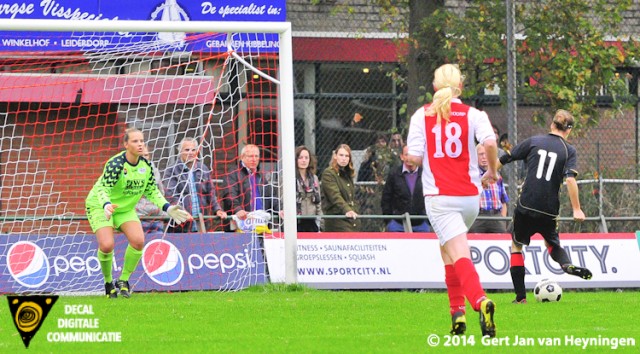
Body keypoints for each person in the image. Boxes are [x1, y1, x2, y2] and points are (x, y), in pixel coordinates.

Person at [406, 63, 497, 337]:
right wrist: (492, 171)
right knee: (447, 251)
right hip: (470, 198)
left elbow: (415, 157)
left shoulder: (422, 115)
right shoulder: (474, 114)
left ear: (435, 87)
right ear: (461, 87)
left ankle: (480, 301)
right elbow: (490, 143)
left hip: (440, 197)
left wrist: (410, 157)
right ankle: (457, 315)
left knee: (458, 254)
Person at [85, 127, 192, 298]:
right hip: (100, 204)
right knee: (106, 245)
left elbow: (152, 191)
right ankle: (107, 282)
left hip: (124, 209)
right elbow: (103, 188)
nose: (140, 144)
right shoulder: (116, 164)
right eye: (135, 141)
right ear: (126, 144)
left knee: (138, 241)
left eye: (142, 141)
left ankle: (124, 280)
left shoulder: (146, 166)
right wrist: (105, 204)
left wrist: (167, 207)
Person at [499, 109, 592, 305]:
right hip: (549, 209)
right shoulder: (569, 150)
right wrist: (577, 208)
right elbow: (570, 180)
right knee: (552, 244)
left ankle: (520, 298)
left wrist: (490, 173)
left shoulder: (534, 141)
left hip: (526, 204)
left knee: (516, 245)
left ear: (552, 125)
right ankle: (566, 265)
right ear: (568, 131)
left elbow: (506, 157)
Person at [164, 137, 227, 233]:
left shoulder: (203, 168)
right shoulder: (171, 170)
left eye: (193, 150)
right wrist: (182, 212)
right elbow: (170, 195)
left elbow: (211, 193)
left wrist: (217, 209)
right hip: (180, 225)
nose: (191, 153)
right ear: (180, 151)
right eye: (187, 150)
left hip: (201, 223)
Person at [222, 144, 274, 231]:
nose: (254, 159)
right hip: (241, 224)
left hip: (261, 224)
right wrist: (238, 209)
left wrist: (279, 210)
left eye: (256, 156)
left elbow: (271, 196)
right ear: (242, 157)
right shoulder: (232, 173)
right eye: (250, 156)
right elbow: (229, 194)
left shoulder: (261, 176)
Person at [381, 144, 430, 232]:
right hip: (397, 225)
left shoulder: (426, 174)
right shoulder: (394, 174)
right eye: (407, 154)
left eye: (412, 154)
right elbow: (386, 198)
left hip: (421, 224)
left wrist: (427, 221)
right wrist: (389, 221)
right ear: (402, 157)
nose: (410, 158)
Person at [468, 144, 509, 233]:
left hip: (496, 216)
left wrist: (502, 219)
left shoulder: (497, 175)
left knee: (502, 241)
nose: (484, 157)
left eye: (486, 154)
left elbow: (503, 201)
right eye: (481, 154)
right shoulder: (472, 176)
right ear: (476, 157)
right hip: (478, 217)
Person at [321, 144, 360, 232]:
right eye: (341, 155)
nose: (344, 158)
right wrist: (347, 210)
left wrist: (355, 211)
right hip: (337, 220)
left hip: (352, 219)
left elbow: (352, 198)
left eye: (347, 156)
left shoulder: (348, 174)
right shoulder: (329, 173)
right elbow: (335, 196)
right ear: (335, 156)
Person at [135, 145, 165, 233]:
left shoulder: (155, 171)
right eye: (141, 156)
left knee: (158, 243)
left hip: (156, 217)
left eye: (146, 155)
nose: (144, 158)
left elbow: (161, 192)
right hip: (139, 216)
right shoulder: (130, 172)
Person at [295, 146, 322, 232]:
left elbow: (318, 202)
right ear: (296, 159)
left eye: (306, 158)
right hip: (295, 221)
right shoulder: (289, 177)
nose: (304, 160)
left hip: (312, 221)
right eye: (301, 158)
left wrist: (321, 222)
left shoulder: (314, 178)